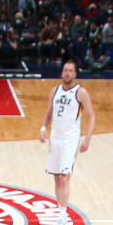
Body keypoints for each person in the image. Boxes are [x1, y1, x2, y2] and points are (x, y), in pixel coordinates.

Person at [39, 60, 94, 210]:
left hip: (70, 138)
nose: (67, 73)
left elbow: (91, 116)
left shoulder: (80, 92)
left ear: (75, 74)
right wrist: (43, 127)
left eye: (70, 70)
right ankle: (60, 209)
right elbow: (49, 112)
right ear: (62, 72)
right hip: (55, 138)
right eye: (65, 70)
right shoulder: (55, 91)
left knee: (64, 177)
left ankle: (62, 215)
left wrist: (87, 139)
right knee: (57, 178)